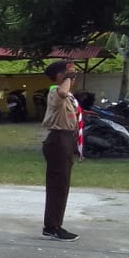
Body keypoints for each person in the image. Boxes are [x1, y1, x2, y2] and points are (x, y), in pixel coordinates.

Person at [41, 60, 81, 241]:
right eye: (69, 73)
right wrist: (68, 78)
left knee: (62, 184)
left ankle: (55, 224)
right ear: (59, 76)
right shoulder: (55, 92)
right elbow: (62, 92)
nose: (73, 77)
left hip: (66, 139)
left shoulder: (67, 96)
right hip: (58, 140)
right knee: (57, 185)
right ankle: (52, 226)